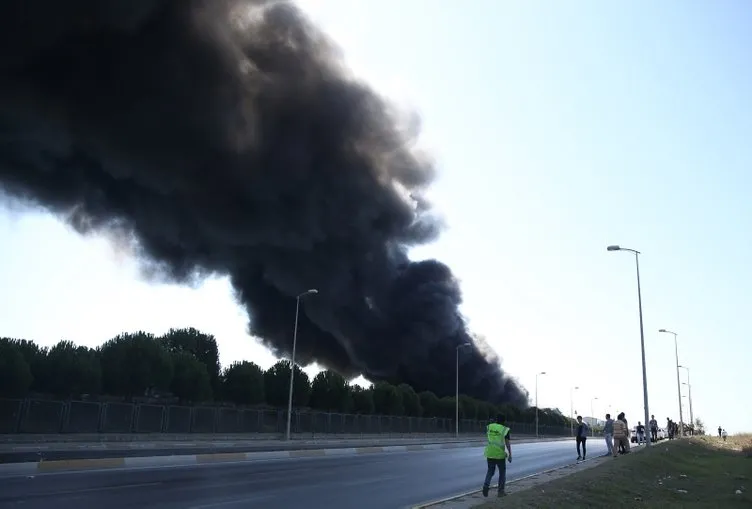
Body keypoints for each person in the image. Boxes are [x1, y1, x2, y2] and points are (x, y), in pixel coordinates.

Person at [482, 414, 512, 498]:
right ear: (504, 421)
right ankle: (500, 492)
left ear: (496, 420)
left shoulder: (489, 427)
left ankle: (486, 485)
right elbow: (507, 444)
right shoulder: (505, 429)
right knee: (502, 473)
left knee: (490, 471)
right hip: (499, 455)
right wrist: (510, 455)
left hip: (490, 453)